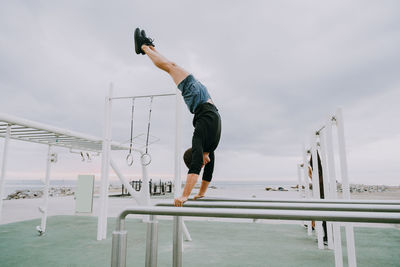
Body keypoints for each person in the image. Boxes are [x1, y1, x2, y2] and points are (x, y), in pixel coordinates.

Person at [134, 28, 222, 207]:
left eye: (204, 162)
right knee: (171, 66)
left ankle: (144, 47)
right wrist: (201, 193)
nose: (208, 162)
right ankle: (147, 46)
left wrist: (184, 196)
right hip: (202, 95)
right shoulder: (210, 149)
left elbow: (196, 167)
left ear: (196, 154)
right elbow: (208, 175)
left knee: (170, 67)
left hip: (195, 96)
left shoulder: (200, 140)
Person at [309, 152, 328, 244]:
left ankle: (327, 237)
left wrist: (314, 151)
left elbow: (315, 164)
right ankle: (326, 236)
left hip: (322, 197)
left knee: (324, 219)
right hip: (322, 196)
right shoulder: (318, 174)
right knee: (323, 219)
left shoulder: (319, 173)